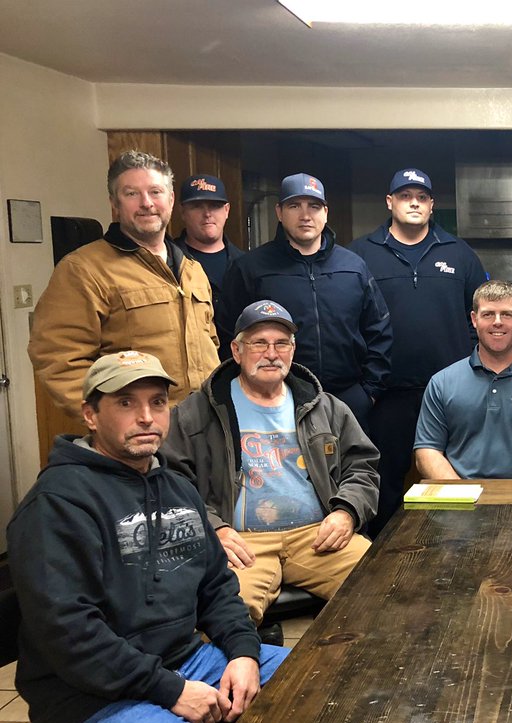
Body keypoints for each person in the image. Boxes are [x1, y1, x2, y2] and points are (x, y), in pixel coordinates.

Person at [7, 350, 288, 723]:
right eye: (125, 403)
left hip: (186, 661)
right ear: (90, 415)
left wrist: (242, 652)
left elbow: (216, 588)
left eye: (157, 402)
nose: (146, 417)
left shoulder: (176, 487)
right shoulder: (55, 505)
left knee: (321, 688)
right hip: (92, 697)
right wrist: (172, 691)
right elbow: (70, 634)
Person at [162, 300, 379, 627]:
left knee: (386, 587)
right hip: (241, 543)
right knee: (226, 616)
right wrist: (212, 528)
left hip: (318, 537)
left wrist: (347, 512)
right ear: (236, 351)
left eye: (281, 344)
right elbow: (170, 482)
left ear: (293, 350)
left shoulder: (325, 407)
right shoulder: (198, 412)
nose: (272, 354)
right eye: (259, 344)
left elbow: (362, 467)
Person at [28, 150, 219, 418]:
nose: (146, 203)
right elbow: (58, 359)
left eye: (155, 192)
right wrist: (111, 419)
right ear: (114, 204)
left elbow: (210, 343)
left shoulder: (192, 268)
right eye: (131, 194)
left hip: (204, 423)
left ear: (171, 199)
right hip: (139, 429)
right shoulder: (84, 270)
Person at [348, 168, 488, 530]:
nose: (414, 203)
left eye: (422, 197)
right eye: (405, 196)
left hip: (451, 394)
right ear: (389, 202)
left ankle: (457, 549)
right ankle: (381, 555)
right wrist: (367, 388)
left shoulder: (459, 253)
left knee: (455, 479)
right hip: (387, 394)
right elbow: (349, 321)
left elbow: (482, 315)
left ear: (431, 204)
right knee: (385, 483)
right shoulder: (360, 254)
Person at [219, 173, 392, 428]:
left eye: (314, 206)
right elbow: (227, 336)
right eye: (294, 206)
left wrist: (369, 392)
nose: (305, 215)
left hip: (348, 402)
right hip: (276, 402)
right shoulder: (250, 269)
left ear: (326, 212)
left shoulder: (353, 267)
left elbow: (379, 331)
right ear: (279, 212)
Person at [414, 281, 512, 479]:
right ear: (474, 319)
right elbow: (427, 451)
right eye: (488, 314)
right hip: (460, 495)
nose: (497, 322)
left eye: (506, 314)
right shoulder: (441, 383)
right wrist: (460, 493)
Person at [175, 173, 244, 320]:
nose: (207, 214)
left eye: (215, 206)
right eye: (197, 206)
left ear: (227, 210)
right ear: (182, 212)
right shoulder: (168, 261)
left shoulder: (247, 264)